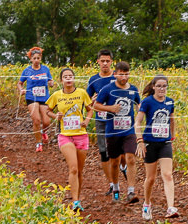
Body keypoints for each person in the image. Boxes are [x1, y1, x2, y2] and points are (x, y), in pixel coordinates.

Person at [44, 67, 93, 212]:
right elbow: (48, 110)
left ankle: (77, 196)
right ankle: (75, 201)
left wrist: (87, 121)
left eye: (71, 76)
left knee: (79, 170)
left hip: (81, 134)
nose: (68, 79)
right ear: (61, 80)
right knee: (73, 168)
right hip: (65, 135)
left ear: (74, 78)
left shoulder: (82, 93)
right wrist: (55, 117)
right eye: (65, 77)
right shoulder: (56, 95)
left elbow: (90, 109)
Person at [93, 61, 141, 204]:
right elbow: (95, 105)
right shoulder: (108, 89)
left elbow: (139, 103)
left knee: (131, 158)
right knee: (114, 162)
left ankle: (131, 191)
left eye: (126, 74)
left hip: (129, 130)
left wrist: (140, 110)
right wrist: (111, 108)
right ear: (115, 74)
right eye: (121, 74)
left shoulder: (133, 89)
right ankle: (115, 188)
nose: (124, 77)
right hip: (112, 131)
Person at [135, 75, 177, 220]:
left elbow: (172, 119)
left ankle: (171, 207)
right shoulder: (147, 102)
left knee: (168, 175)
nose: (161, 89)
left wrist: (172, 136)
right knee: (150, 178)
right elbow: (137, 122)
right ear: (153, 87)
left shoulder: (170, 101)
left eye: (164, 86)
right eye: (159, 86)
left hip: (165, 143)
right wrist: (140, 141)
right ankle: (146, 204)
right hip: (150, 143)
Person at [86, 49, 118, 195]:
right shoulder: (93, 79)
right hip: (101, 119)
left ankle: (120, 173)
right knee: (103, 152)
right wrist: (91, 102)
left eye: (108, 61)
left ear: (112, 62)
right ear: (98, 62)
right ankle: (111, 183)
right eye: (102, 61)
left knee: (118, 152)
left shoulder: (117, 77)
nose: (105, 63)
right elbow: (85, 100)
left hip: (117, 120)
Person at [18, 47, 55, 152]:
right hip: (31, 97)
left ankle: (44, 132)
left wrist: (51, 83)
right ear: (31, 59)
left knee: (47, 121)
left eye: (38, 58)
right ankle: (38, 143)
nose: (36, 60)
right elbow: (19, 83)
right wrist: (21, 90)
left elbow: (50, 80)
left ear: (41, 58)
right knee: (36, 120)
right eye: (34, 58)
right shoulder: (27, 70)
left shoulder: (45, 69)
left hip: (44, 97)